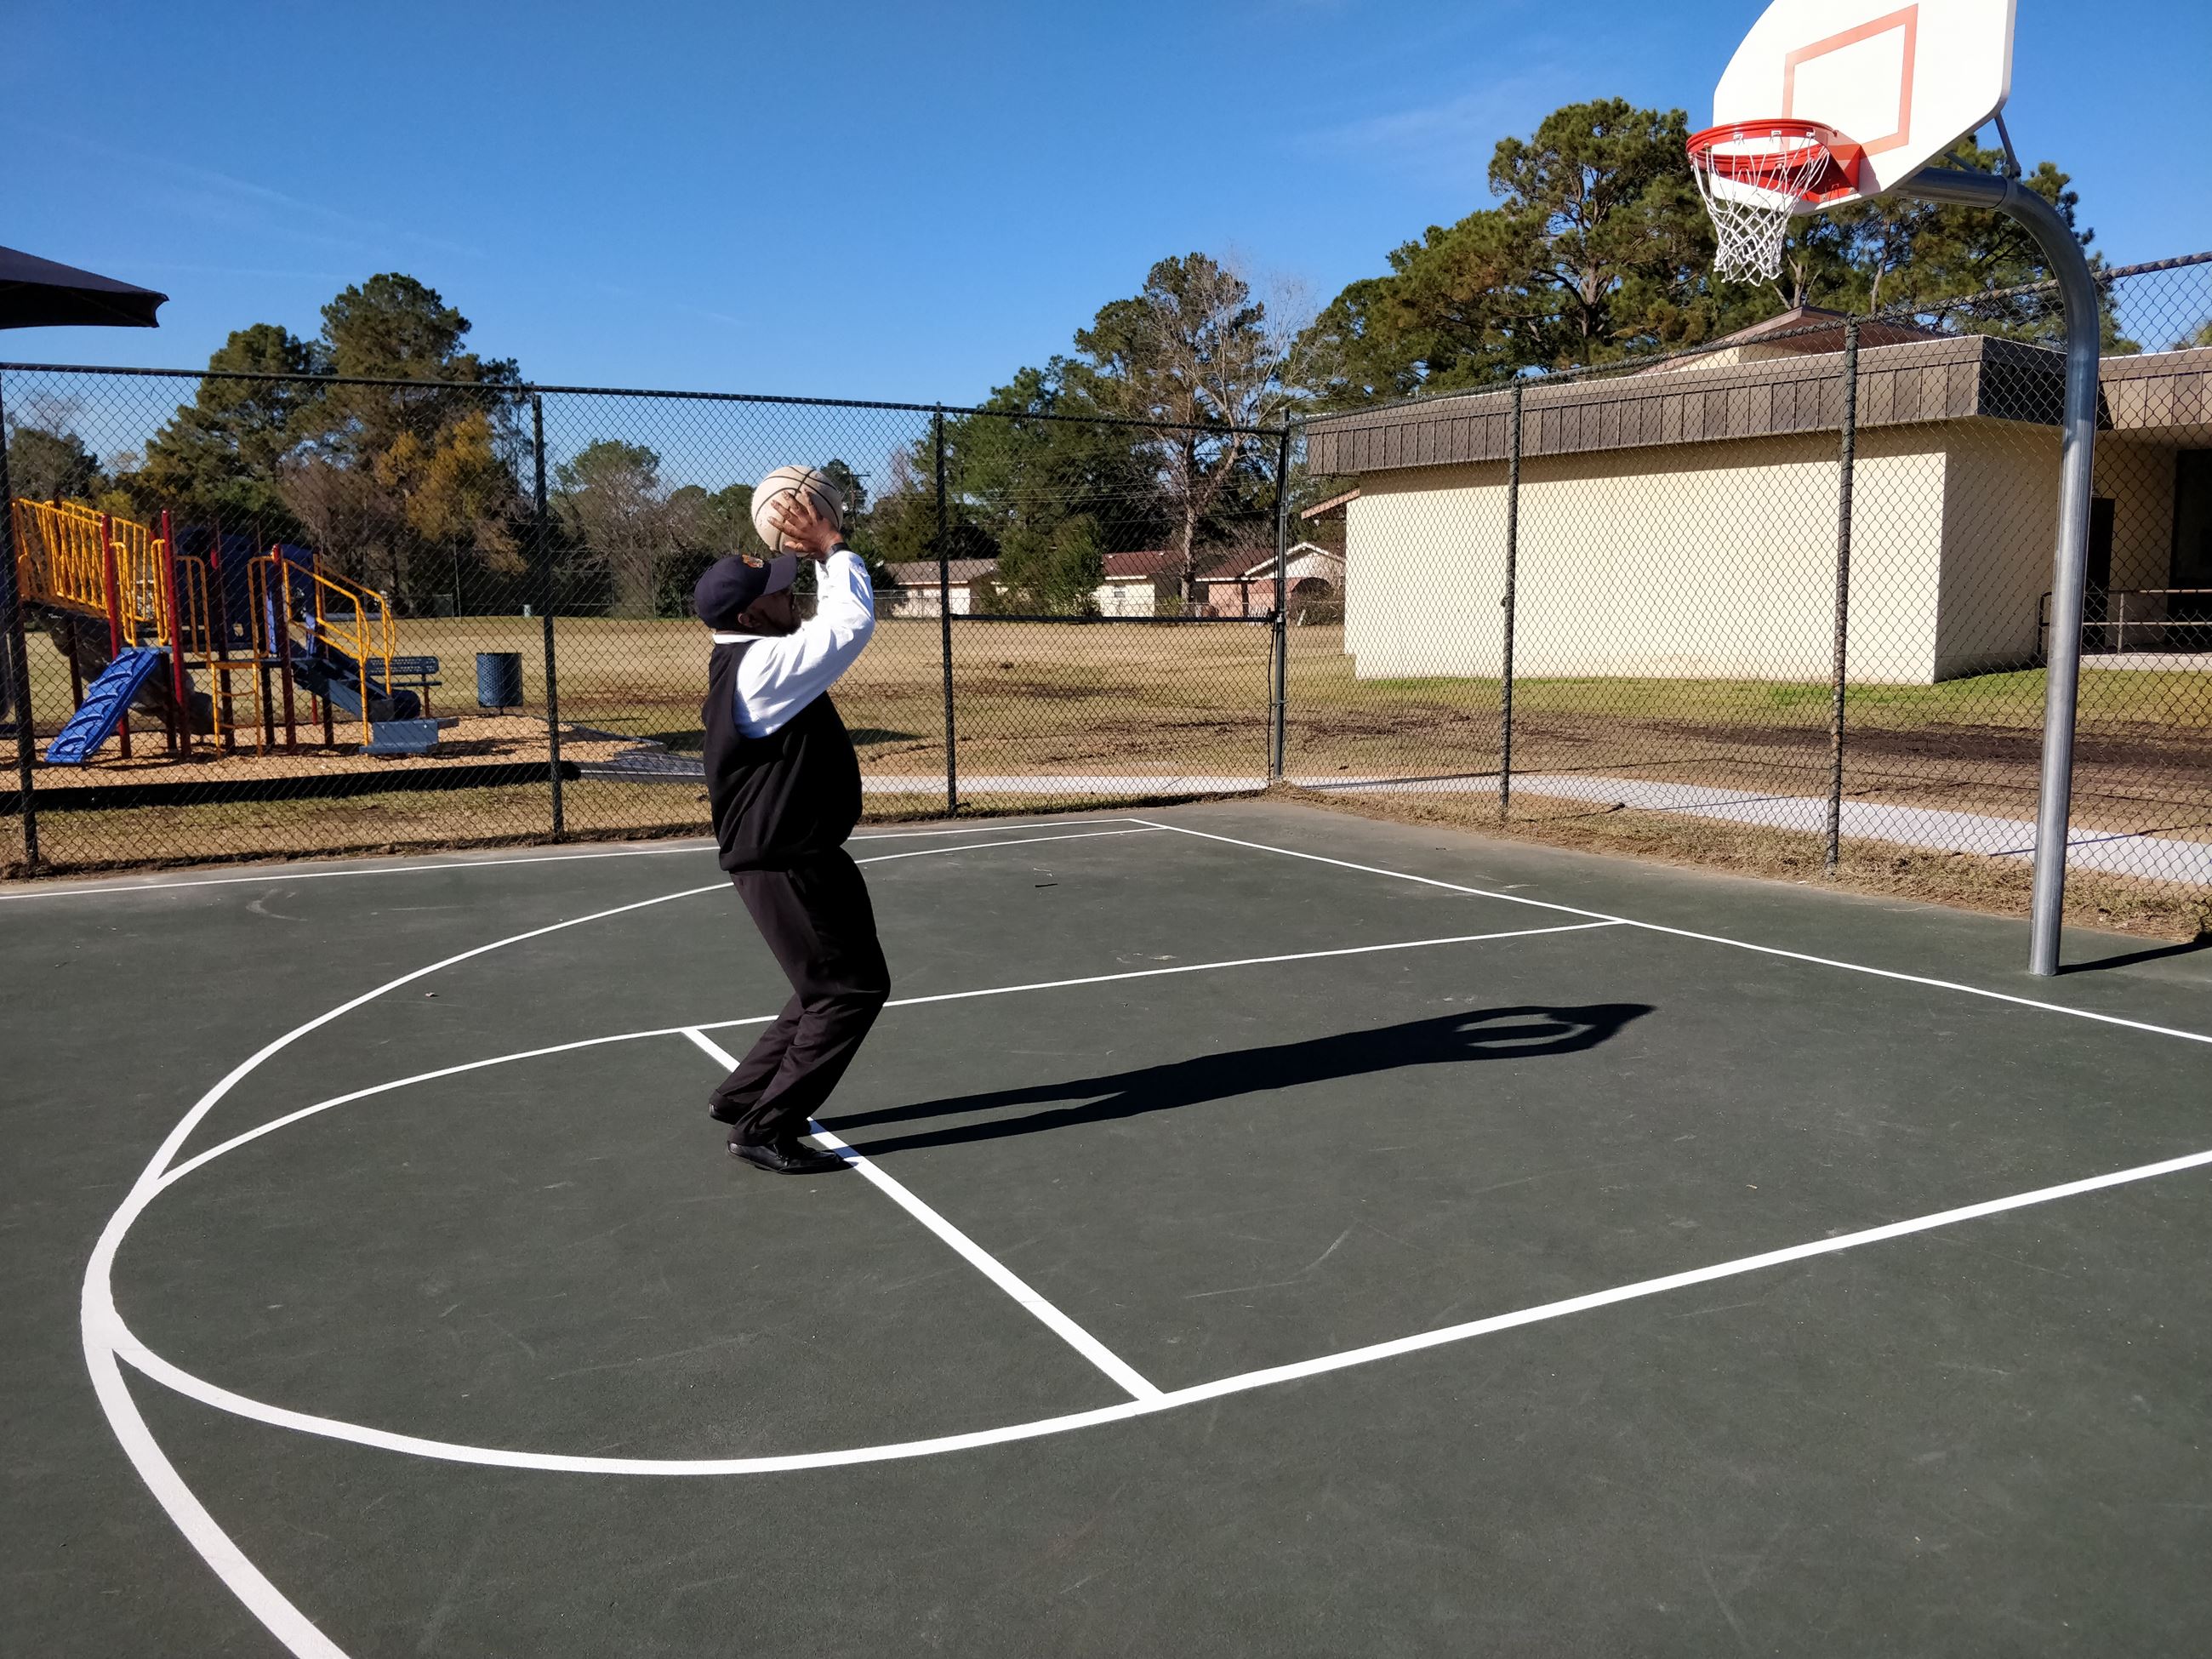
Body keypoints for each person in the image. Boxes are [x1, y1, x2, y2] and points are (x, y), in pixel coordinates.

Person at [693, 483, 889, 1175]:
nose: (790, 592)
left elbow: (830, 624)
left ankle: (740, 1095)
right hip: (787, 860)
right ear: (751, 611)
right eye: (779, 589)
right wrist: (832, 547)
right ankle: (765, 1126)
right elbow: (848, 628)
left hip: (792, 855)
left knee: (827, 986)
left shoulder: (753, 654)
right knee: (849, 992)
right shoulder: (762, 668)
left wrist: (824, 558)